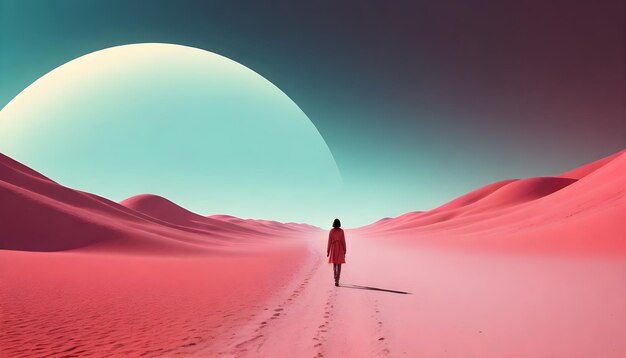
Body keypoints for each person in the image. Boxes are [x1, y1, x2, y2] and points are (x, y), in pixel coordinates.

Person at [327, 218, 347, 286]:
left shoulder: (331, 231)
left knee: (335, 265)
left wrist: (328, 251)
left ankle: (335, 279)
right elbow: (343, 241)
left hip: (333, 248)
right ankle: (337, 279)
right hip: (340, 248)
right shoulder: (341, 231)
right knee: (339, 265)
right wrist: (344, 250)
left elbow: (329, 241)